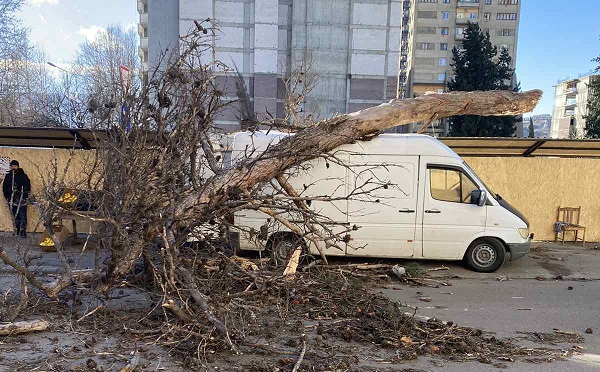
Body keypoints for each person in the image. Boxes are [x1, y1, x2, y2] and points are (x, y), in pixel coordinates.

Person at [2, 160, 31, 238]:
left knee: (22, 216)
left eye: (15, 166)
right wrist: (8, 198)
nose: (13, 167)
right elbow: (4, 187)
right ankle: (17, 230)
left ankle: (23, 231)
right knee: (15, 216)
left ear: (17, 166)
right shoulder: (8, 176)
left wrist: (24, 197)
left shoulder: (23, 176)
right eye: (12, 166)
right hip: (12, 200)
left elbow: (27, 187)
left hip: (22, 200)